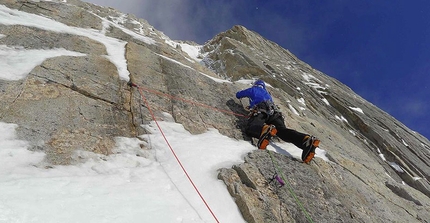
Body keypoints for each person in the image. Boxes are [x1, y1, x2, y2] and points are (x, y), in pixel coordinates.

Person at [236, 79, 320, 163]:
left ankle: (264, 130)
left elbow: (239, 94)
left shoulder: (253, 89)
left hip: (261, 110)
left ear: (255, 85)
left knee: (252, 127)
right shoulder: (267, 93)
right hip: (275, 113)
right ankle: (305, 140)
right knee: (282, 131)